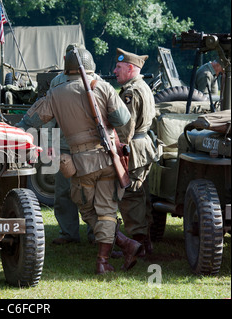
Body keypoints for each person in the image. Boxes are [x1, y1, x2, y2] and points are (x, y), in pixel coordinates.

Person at [16, 47, 143, 274]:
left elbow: (31, 119)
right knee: (106, 211)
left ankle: (111, 254)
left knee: (87, 209)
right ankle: (118, 250)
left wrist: (15, 132)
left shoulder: (56, 91)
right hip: (106, 158)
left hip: (80, 162)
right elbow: (122, 119)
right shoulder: (102, 86)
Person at [49, 43, 95, 245]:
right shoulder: (57, 81)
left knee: (90, 191)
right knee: (64, 192)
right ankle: (69, 233)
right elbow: (51, 115)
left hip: (85, 145)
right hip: (65, 144)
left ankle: (96, 233)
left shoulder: (93, 80)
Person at [113, 48, 157, 257]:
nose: (114, 71)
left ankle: (137, 245)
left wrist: (118, 150)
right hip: (144, 146)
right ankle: (144, 242)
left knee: (131, 197)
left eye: (119, 67)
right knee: (141, 195)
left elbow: (125, 127)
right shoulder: (143, 86)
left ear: (131, 68)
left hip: (134, 148)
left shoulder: (131, 91)